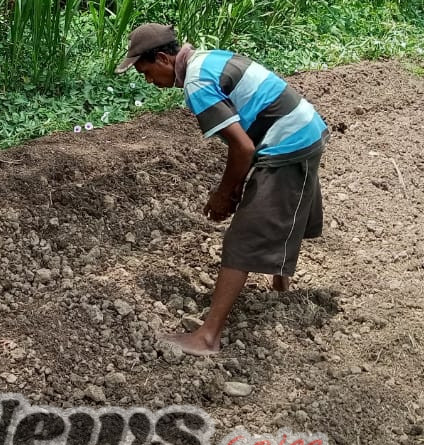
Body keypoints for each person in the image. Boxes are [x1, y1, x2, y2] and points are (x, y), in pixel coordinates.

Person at [116, 23, 328, 356]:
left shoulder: (198, 83)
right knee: (288, 207)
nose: (149, 82)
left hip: (289, 141)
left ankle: (207, 337)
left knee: (243, 236)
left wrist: (225, 195)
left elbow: (242, 148)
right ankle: (280, 285)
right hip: (305, 127)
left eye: (146, 72)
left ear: (162, 58)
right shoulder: (207, 58)